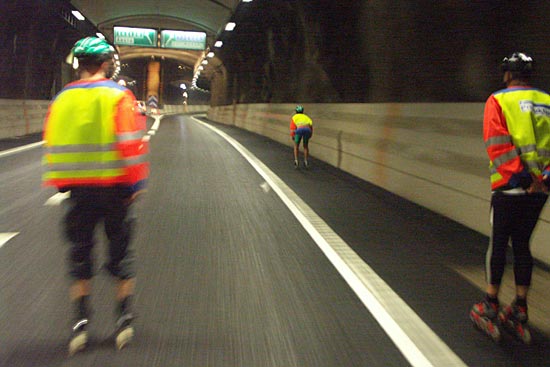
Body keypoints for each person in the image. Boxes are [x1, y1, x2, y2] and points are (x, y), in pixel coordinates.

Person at [42, 37, 149, 354]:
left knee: (80, 254)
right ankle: (123, 318)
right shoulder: (119, 96)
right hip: (115, 190)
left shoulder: (61, 99)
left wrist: (64, 183)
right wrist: (133, 187)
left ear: (79, 64)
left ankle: (80, 322)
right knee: (120, 255)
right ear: (105, 64)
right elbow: (131, 144)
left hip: (79, 192)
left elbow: (53, 144)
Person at [470, 52, 550, 343]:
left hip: (509, 187)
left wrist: (521, 179)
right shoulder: (547, 102)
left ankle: (490, 304)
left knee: (499, 243)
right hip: (539, 191)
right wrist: (543, 180)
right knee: (523, 245)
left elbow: (497, 144)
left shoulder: (498, 100)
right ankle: (520, 308)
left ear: (507, 74)